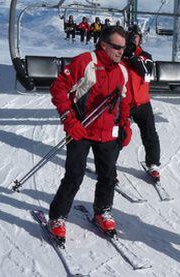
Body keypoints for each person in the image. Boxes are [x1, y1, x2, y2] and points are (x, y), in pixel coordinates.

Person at [48, 26, 132, 240]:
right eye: (116, 47)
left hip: (107, 134)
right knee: (74, 176)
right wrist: (69, 120)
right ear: (103, 45)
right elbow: (58, 89)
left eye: (123, 47)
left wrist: (125, 125)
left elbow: (124, 100)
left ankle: (102, 211)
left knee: (109, 176)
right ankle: (57, 217)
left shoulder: (122, 70)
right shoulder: (86, 61)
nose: (121, 51)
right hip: (82, 129)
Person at [120, 24, 161, 180]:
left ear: (140, 39)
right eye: (129, 36)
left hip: (142, 103)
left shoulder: (146, 56)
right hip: (124, 103)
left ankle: (153, 164)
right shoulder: (119, 55)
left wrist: (132, 57)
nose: (132, 40)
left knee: (150, 133)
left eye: (134, 37)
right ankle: (107, 165)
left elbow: (147, 75)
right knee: (118, 135)